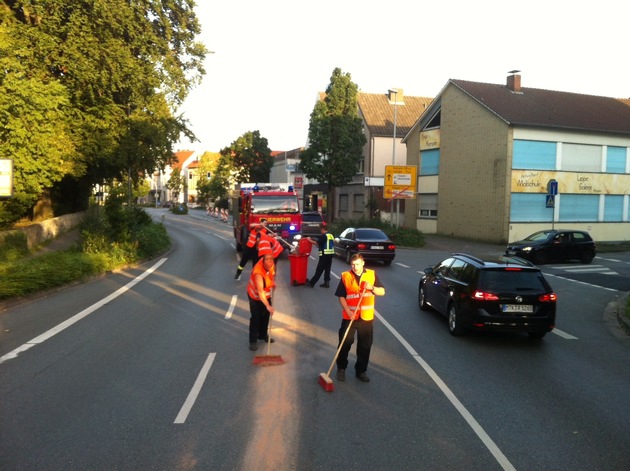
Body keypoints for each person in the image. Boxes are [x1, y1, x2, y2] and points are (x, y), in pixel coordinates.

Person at [334, 253, 385, 382]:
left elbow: (382, 291)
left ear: (362, 263)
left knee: (365, 346)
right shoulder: (346, 276)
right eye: (352, 264)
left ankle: (361, 371)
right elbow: (341, 296)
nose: (355, 267)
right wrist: (348, 311)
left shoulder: (371, 275)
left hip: (366, 318)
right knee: (344, 343)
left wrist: (371, 288)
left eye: (357, 264)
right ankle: (341, 368)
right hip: (350, 316)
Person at [247, 253, 276, 351]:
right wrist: (268, 305)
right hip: (255, 296)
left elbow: (271, 276)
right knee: (256, 318)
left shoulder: (271, 265)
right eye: (267, 261)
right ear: (263, 262)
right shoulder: (258, 272)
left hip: (266, 294)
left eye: (271, 261)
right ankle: (253, 341)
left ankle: (263, 335)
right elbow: (260, 292)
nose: (270, 263)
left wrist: (272, 283)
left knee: (265, 316)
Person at [305, 223, 334, 288]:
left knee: (319, 270)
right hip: (330, 254)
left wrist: (309, 240)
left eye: (320, 230)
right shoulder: (330, 235)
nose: (320, 231)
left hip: (324, 255)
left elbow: (317, 243)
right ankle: (327, 282)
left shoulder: (324, 236)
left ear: (323, 229)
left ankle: (311, 283)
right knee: (327, 269)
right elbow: (324, 244)